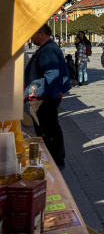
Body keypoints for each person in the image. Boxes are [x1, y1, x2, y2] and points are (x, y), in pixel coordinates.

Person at [24, 24, 70, 169]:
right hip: (45, 97)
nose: (31, 37)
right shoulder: (46, 49)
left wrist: (35, 92)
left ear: (42, 33)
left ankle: (55, 162)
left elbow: (52, 74)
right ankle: (55, 160)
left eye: (33, 33)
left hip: (44, 99)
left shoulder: (48, 50)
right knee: (48, 130)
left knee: (48, 132)